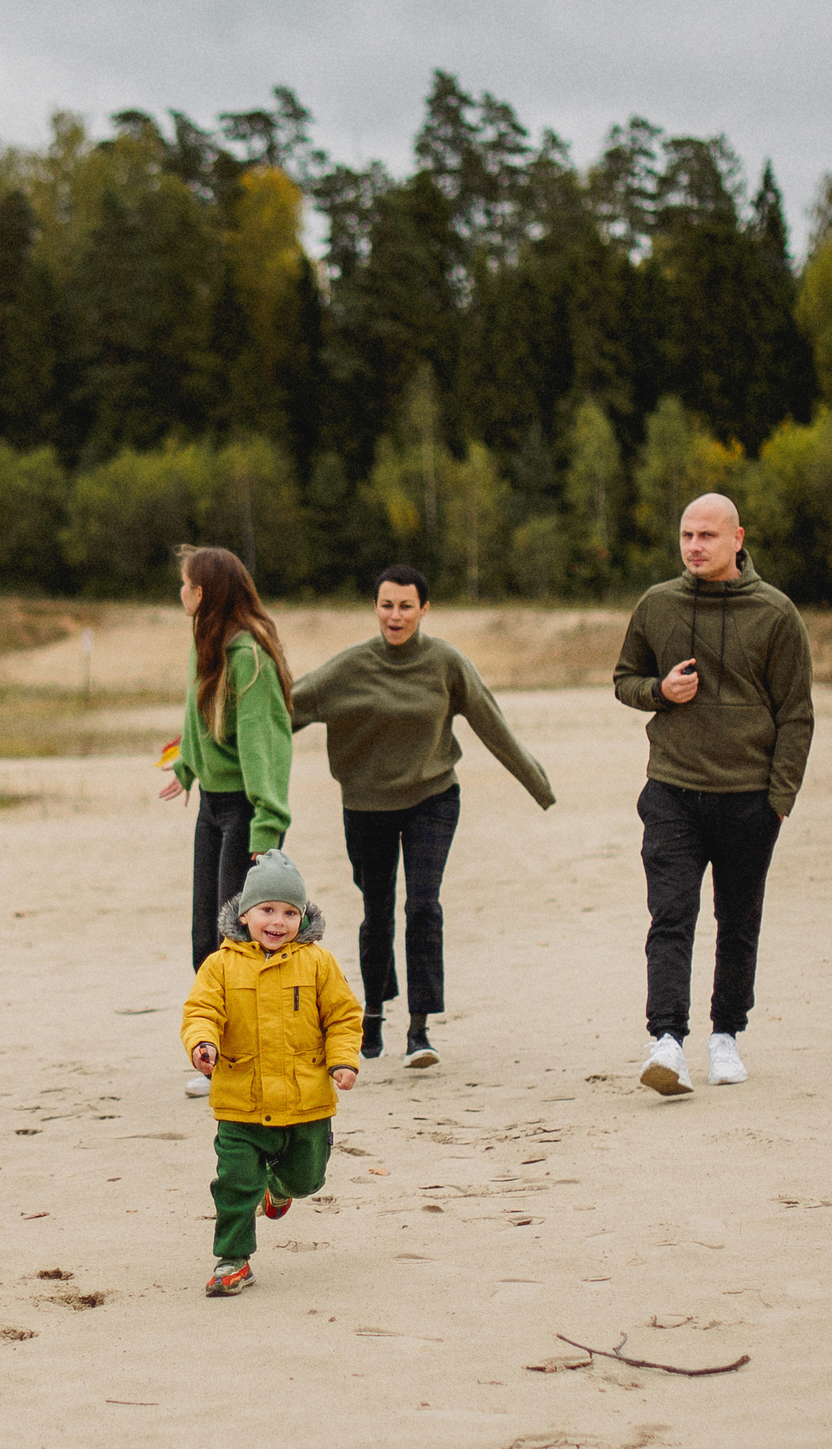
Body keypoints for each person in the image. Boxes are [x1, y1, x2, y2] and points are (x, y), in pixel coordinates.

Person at [293, 565, 554, 1069]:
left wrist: (537, 785)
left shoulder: (445, 663)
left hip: (432, 799)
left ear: (424, 609)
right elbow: (284, 709)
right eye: (387, 605)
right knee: (377, 910)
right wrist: (213, 742)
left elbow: (490, 722)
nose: (396, 615)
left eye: (406, 606)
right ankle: (371, 1012)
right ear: (375, 607)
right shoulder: (347, 668)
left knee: (422, 905)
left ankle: (419, 1029)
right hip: (365, 805)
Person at [611, 494, 812, 1097]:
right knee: (671, 916)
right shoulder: (657, 604)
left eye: (706, 536)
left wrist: (779, 798)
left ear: (737, 539)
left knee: (738, 921)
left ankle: (725, 1035)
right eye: (686, 535)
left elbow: (797, 716)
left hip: (750, 799)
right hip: (672, 790)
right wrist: (659, 690)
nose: (694, 546)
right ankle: (666, 1042)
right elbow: (624, 680)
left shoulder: (776, 614)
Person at [180, 850, 362, 1297]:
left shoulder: (318, 963)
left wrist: (343, 1060)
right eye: (267, 910)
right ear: (245, 916)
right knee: (235, 1182)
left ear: (302, 918)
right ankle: (233, 1259)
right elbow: (201, 1011)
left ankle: (279, 1188)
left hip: (306, 1103)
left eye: (289, 912)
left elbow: (342, 1016)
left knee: (307, 1178)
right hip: (241, 1100)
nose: (277, 922)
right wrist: (203, 1045)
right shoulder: (220, 965)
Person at [157, 545, 294, 1098]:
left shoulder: (246, 657)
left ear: (203, 593)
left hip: (246, 811)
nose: (180, 592)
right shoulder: (206, 645)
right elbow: (202, 716)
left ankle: (245, 1055)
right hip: (214, 807)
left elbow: (265, 743)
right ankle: (215, 1050)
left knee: (238, 938)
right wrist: (188, 766)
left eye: (186, 584)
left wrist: (267, 827)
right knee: (205, 937)